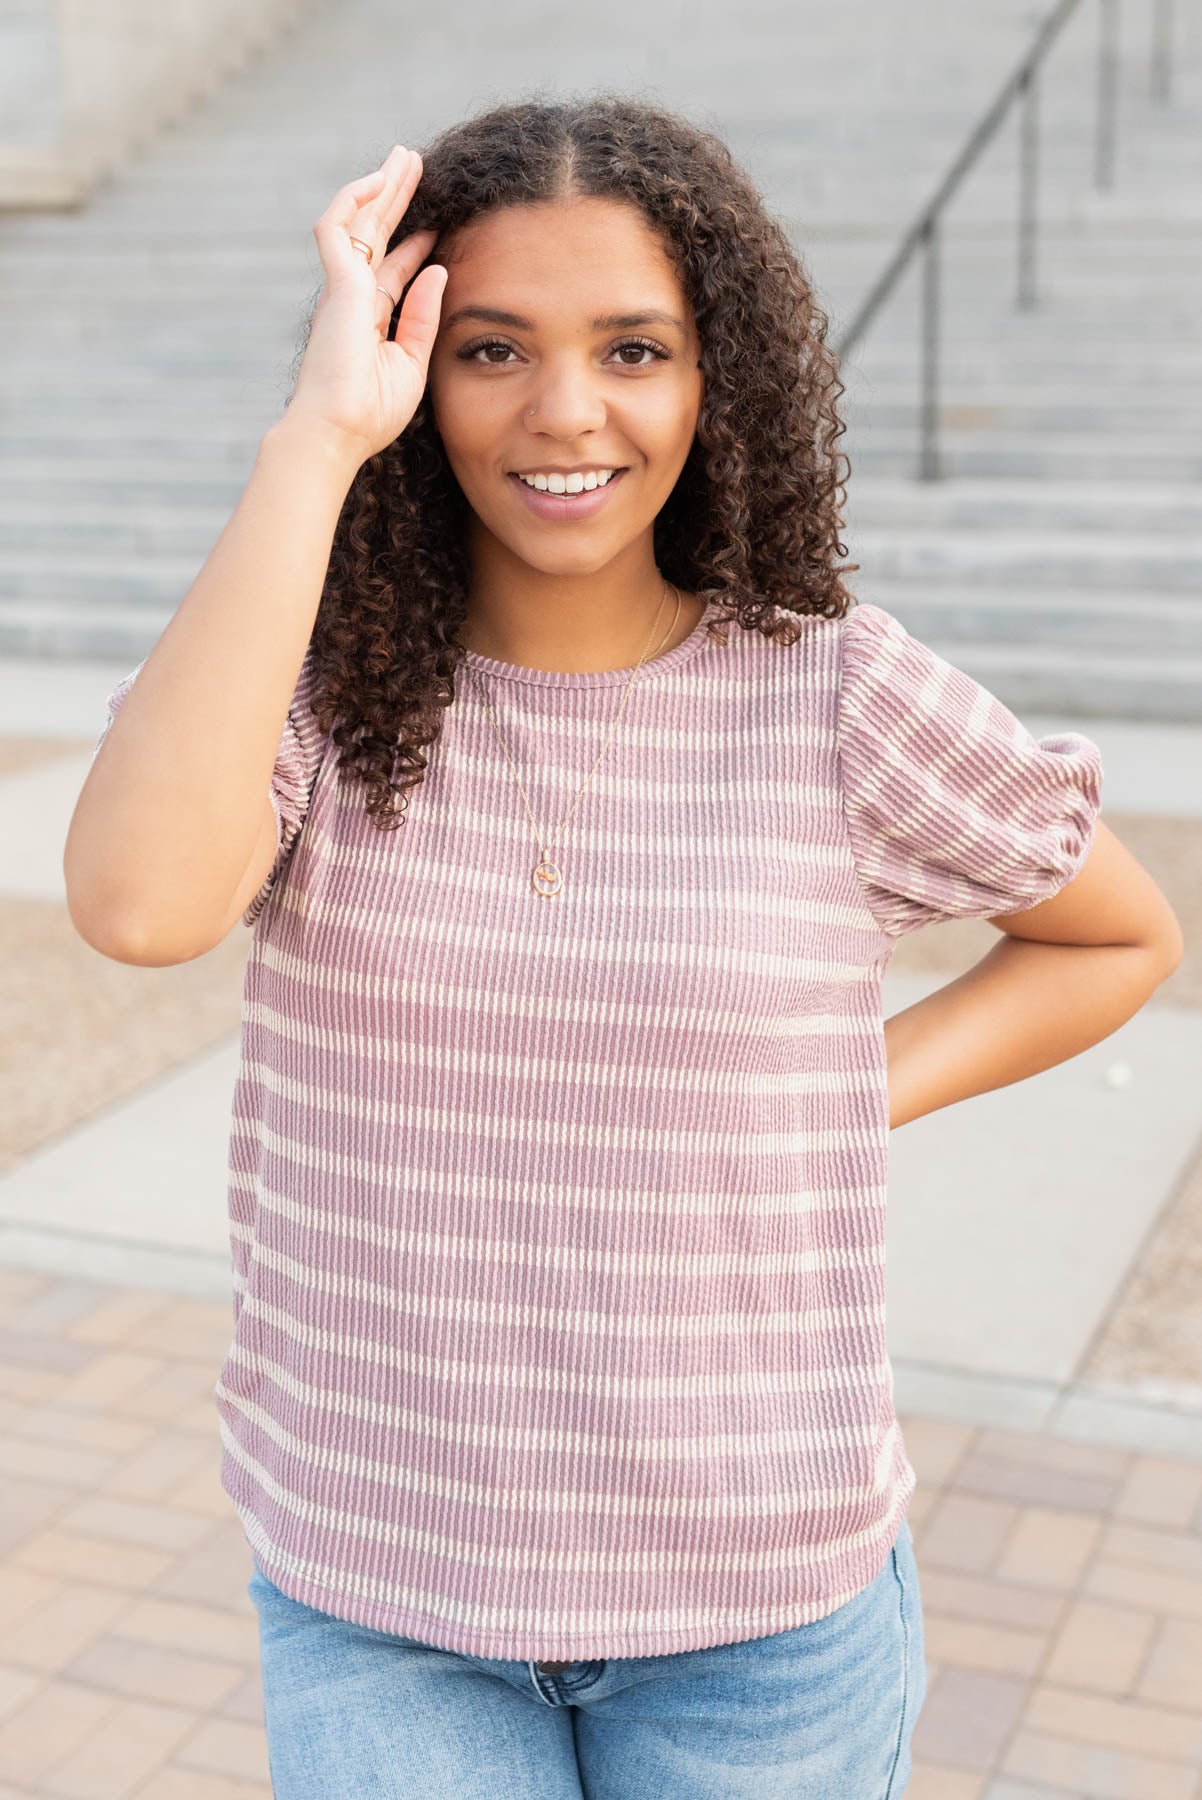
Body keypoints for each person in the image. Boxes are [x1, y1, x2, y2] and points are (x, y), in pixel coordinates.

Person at [65, 95, 1184, 1800]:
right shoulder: (307, 687)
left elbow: (1109, 935)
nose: (565, 412)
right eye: (491, 348)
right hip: (386, 1594)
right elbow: (141, 908)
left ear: (714, 375)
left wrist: (841, 1094)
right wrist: (314, 440)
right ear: (413, 367)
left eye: (636, 349)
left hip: (759, 1616)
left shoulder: (836, 693)